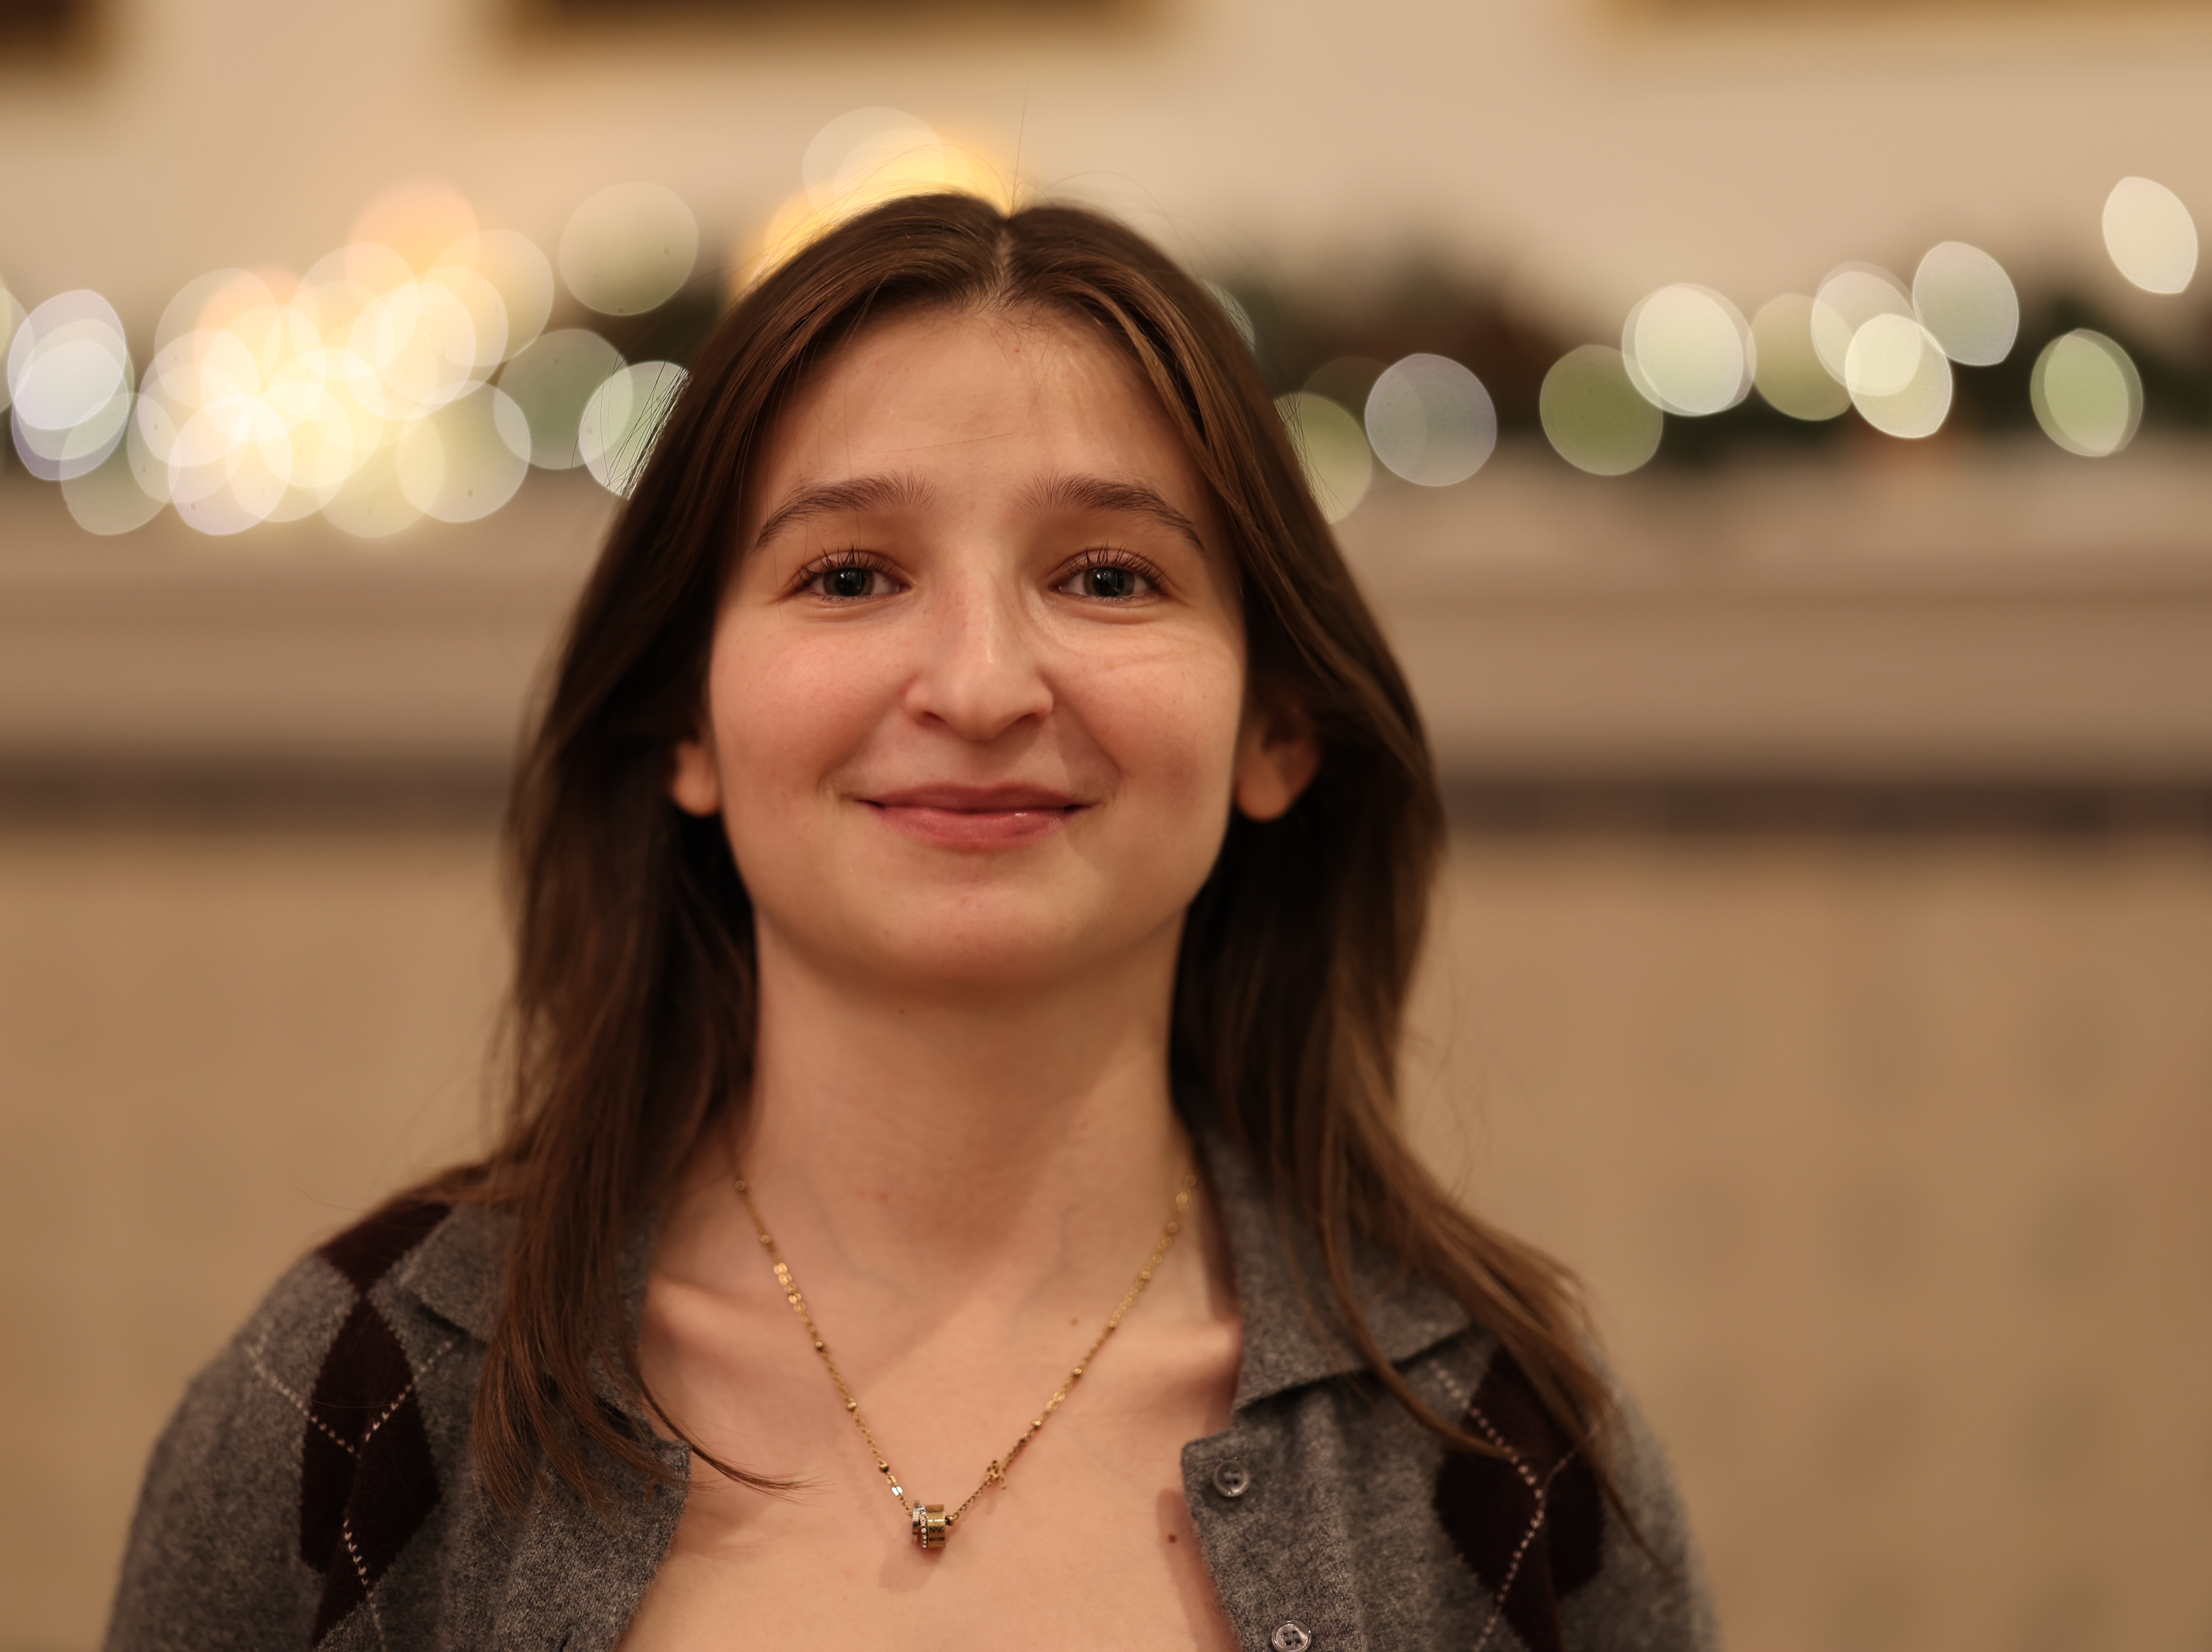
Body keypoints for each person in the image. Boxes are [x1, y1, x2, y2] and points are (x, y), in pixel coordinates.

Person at [105, 192, 1716, 1652]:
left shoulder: (1513, 1463)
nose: (980, 687)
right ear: (686, 723)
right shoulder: (354, 1402)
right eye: (850, 577)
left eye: (1107, 577)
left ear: (1276, 731)